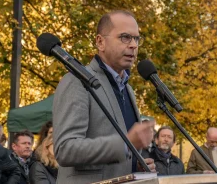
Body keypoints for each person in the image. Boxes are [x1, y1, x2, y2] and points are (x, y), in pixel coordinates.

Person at [53, 10, 155, 184]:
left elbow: (119, 151)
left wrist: (134, 163)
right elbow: (65, 149)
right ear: (100, 42)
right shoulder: (77, 81)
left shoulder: (127, 88)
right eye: (125, 37)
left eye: (136, 39)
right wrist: (125, 145)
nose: (133, 45)